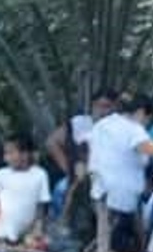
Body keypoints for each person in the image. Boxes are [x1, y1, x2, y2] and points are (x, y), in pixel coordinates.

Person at [88, 93, 153, 252]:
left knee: (104, 243)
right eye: (147, 120)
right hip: (119, 199)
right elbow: (146, 147)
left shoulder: (103, 124)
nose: (146, 125)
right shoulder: (134, 129)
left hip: (100, 192)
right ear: (142, 113)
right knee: (115, 247)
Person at [45, 88, 119, 221]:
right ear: (93, 106)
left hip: (105, 181)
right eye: (99, 106)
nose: (103, 111)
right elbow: (52, 143)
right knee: (62, 190)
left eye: (108, 107)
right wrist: (68, 169)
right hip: (78, 175)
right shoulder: (80, 123)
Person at [0, 133, 51, 244]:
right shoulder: (1, 174)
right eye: (6, 154)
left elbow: (41, 206)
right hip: (0, 233)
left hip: (27, 236)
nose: (7, 158)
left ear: (25, 154)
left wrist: (38, 228)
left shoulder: (40, 174)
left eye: (10, 153)